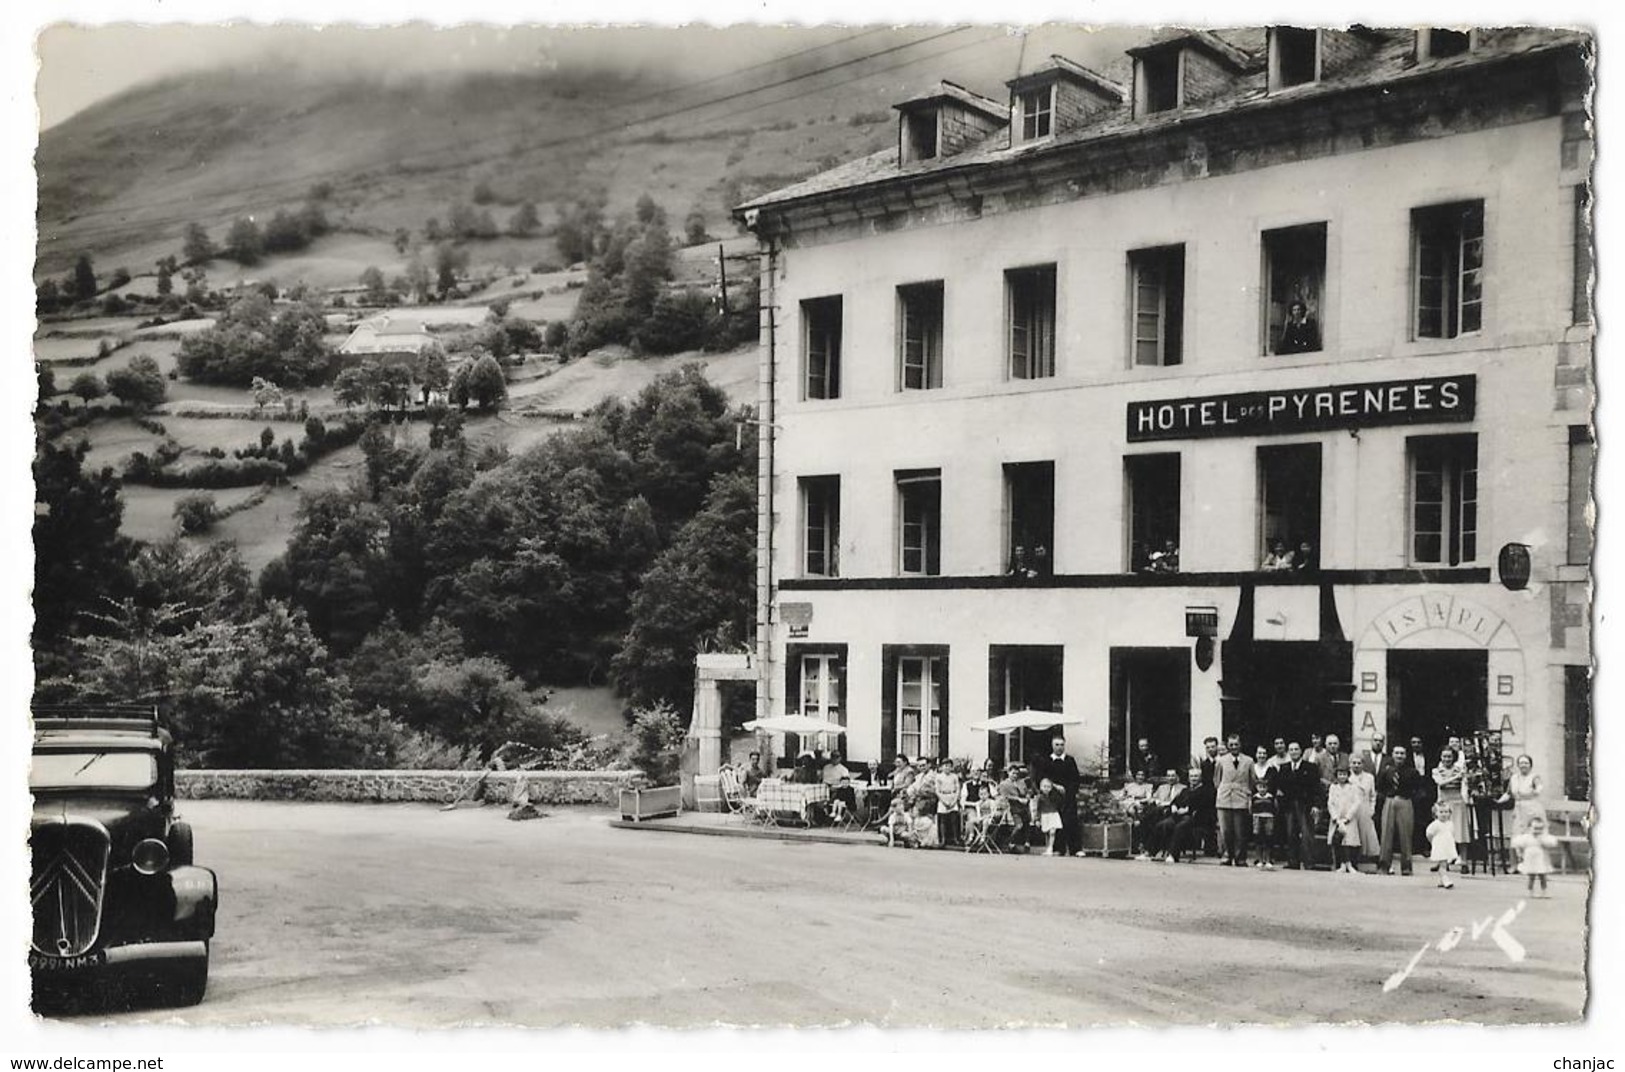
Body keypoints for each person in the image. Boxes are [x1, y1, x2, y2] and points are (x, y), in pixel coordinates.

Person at [1378, 744, 1429, 876]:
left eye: (1402, 754)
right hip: (1389, 801)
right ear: (1392, 755)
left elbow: (1419, 789)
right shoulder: (1386, 771)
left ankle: (1406, 867)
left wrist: (1410, 799)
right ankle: (1384, 866)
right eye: (1397, 753)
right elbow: (1380, 787)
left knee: (1405, 835)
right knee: (1386, 835)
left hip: (1405, 801)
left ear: (1406, 756)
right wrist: (1386, 798)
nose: (1399, 756)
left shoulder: (1412, 772)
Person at [1032, 736, 1083, 856]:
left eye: (1061, 745)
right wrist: (1054, 786)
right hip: (1053, 797)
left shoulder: (1070, 760)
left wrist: (1069, 791)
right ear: (1052, 746)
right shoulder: (1047, 761)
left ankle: (1076, 849)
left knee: (1071, 821)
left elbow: (1075, 779)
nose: (1059, 747)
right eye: (1057, 745)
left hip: (1068, 796)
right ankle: (1058, 849)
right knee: (1056, 822)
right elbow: (1042, 778)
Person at [1275, 742, 1320, 869]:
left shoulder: (1311, 767)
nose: (1294, 752)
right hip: (1289, 805)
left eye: (1296, 749)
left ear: (1301, 751)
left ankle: (1309, 862)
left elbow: (1316, 788)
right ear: (1289, 752)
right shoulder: (1284, 768)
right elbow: (1280, 788)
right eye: (1291, 750)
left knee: (1307, 834)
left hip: (1305, 805)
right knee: (1291, 833)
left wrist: (1315, 805)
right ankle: (1292, 862)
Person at [1213, 732, 1256, 866]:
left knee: (1240, 831)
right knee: (1225, 830)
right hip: (1224, 798)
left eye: (1236, 744)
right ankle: (1227, 855)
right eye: (1231, 745)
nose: (1234, 747)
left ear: (1240, 745)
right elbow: (1216, 780)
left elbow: (1252, 780)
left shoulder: (1248, 761)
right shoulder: (1221, 760)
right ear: (1228, 746)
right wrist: (1222, 790)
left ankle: (1240, 857)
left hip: (1241, 798)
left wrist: (1247, 795)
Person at [1346, 754, 1381, 866]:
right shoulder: (1347, 777)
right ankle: (1352, 862)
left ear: (1363, 765)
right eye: (1354, 763)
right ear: (1350, 764)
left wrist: (1372, 809)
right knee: (1353, 835)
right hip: (1352, 810)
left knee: (1367, 835)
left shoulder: (1369, 777)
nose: (1356, 765)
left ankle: (1369, 860)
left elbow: (1373, 795)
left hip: (1365, 809)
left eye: (1359, 763)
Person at [1326, 767, 1363, 874]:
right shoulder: (1333, 787)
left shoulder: (1353, 788)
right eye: (1340, 774)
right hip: (1337, 819)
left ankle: (1349, 864)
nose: (1342, 777)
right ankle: (1341, 864)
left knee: (1348, 842)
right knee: (1338, 841)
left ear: (1348, 775)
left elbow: (1356, 803)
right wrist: (1336, 818)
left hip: (1348, 819)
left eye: (1344, 774)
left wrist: (1347, 818)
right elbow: (1330, 803)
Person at [1511, 815, 1558, 898]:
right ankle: (1530, 891)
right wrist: (1520, 852)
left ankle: (1544, 891)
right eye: (1535, 828)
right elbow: (1518, 843)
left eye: (1540, 829)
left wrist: (1543, 841)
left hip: (1540, 859)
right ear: (1529, 828)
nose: (1538, 831)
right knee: (1531, 876)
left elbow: (1551, 843)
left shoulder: (1543, 838)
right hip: (1530, 859)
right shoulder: (1527, 837)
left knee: (1542, 876)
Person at [1431, 747, 1471, 846]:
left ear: (1454, 758)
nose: (1447, 759)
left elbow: (1467, 783)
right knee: (1443, 830)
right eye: (1444, 756)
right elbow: (1441, 783)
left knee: (1460, 830)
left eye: (1449, 757)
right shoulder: (1436, 771)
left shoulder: (1459, 770)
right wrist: (1456, 777)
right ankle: (1447, 856)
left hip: (1458, 802)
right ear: (1440, 757)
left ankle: (1462, 857)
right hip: (1444, 803)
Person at [1501, 754, 1545, 835]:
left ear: (1530, 765)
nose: (1523, 765)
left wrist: (1536, 791)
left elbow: (1539, 788)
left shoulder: (1534, 777)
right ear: (1518, 765)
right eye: (1521, 763)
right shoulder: (1514, 778)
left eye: (1526, 763)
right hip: (1518, 810)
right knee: (1518, 833)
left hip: (1531, 810)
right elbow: (1508, 793)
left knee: (1531, 834)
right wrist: (1498, 801)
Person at [1250, 746, 1279, 869]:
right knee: (1258, 836)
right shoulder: (1252, 768)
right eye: (1259, 753)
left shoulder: (1272, 769)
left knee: (1269, 836)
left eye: (1264, 753)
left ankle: (1268, 858)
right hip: (1257, 809)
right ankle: (1258, 858)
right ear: (1256, 754)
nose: (1261, 755)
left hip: (1269, 809)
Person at [997, 762, 1032, 851]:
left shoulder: (1021, 782)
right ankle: (1009, 842)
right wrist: (1017, 799)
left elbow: (1027, 791)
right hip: (1013, 808)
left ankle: (1027, 843)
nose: (1015, 775)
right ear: (1008, 773)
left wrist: (1027, 796)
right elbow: (1004, 796)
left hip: (1024, 807)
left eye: (1017, 773)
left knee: (1027, 824)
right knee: (1019, 825)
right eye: (1013, 773)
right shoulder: (1004, 784)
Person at [1426, 802, 1459, 889]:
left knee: (1444, 864)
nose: (1444, 814)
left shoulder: (1450, 824)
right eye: (1441, 812)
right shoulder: (1435, 824)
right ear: (1436, 814)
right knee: (1443, 864)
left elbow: (1452, 834)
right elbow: (1429, 833)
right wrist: (1433, 842)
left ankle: (1442, 880)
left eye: (1446, 812)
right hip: (1440, 847)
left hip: (1447, 846)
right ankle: (1445, 879)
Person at [934, 758, 962, 847]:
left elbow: (958, 789)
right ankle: (943, 839)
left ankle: (955, 838)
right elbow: (937, 790)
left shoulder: (954, 776)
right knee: (943, 819)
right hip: (943, 797)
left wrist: (954, 800)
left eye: (949, 766)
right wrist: (943, 801)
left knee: (954, 818)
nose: (947, 768)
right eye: (945, 766)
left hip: (952, 796)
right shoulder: (938, 776)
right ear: (941, 767)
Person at [1036, 777, 1065, 856]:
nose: (1046, 789)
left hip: (1054, 814)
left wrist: (1059, 790)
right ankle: (1048, 847)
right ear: (1041, 787)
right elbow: (1038, 809)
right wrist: (1037, 819)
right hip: (1045, 815)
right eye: (1044, 787)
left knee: (1052, 832)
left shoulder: (1054, 796)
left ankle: (1051, 847)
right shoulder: (1040, 798)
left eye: (1048, 787)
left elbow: (1061, 799)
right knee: (1047, 833)